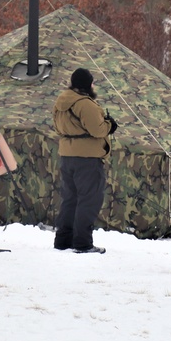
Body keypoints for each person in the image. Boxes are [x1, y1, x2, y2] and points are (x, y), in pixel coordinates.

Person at [52, 68, 117, 254]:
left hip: (67, 155)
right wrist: (109, 125)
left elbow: (57, 127)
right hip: (87, 159)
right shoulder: (85, 104)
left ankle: (63, 240)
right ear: (87, 84)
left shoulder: (60, 102)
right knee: (89, 200)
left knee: (69, 199)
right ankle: (83, 243)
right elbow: (97, 130)